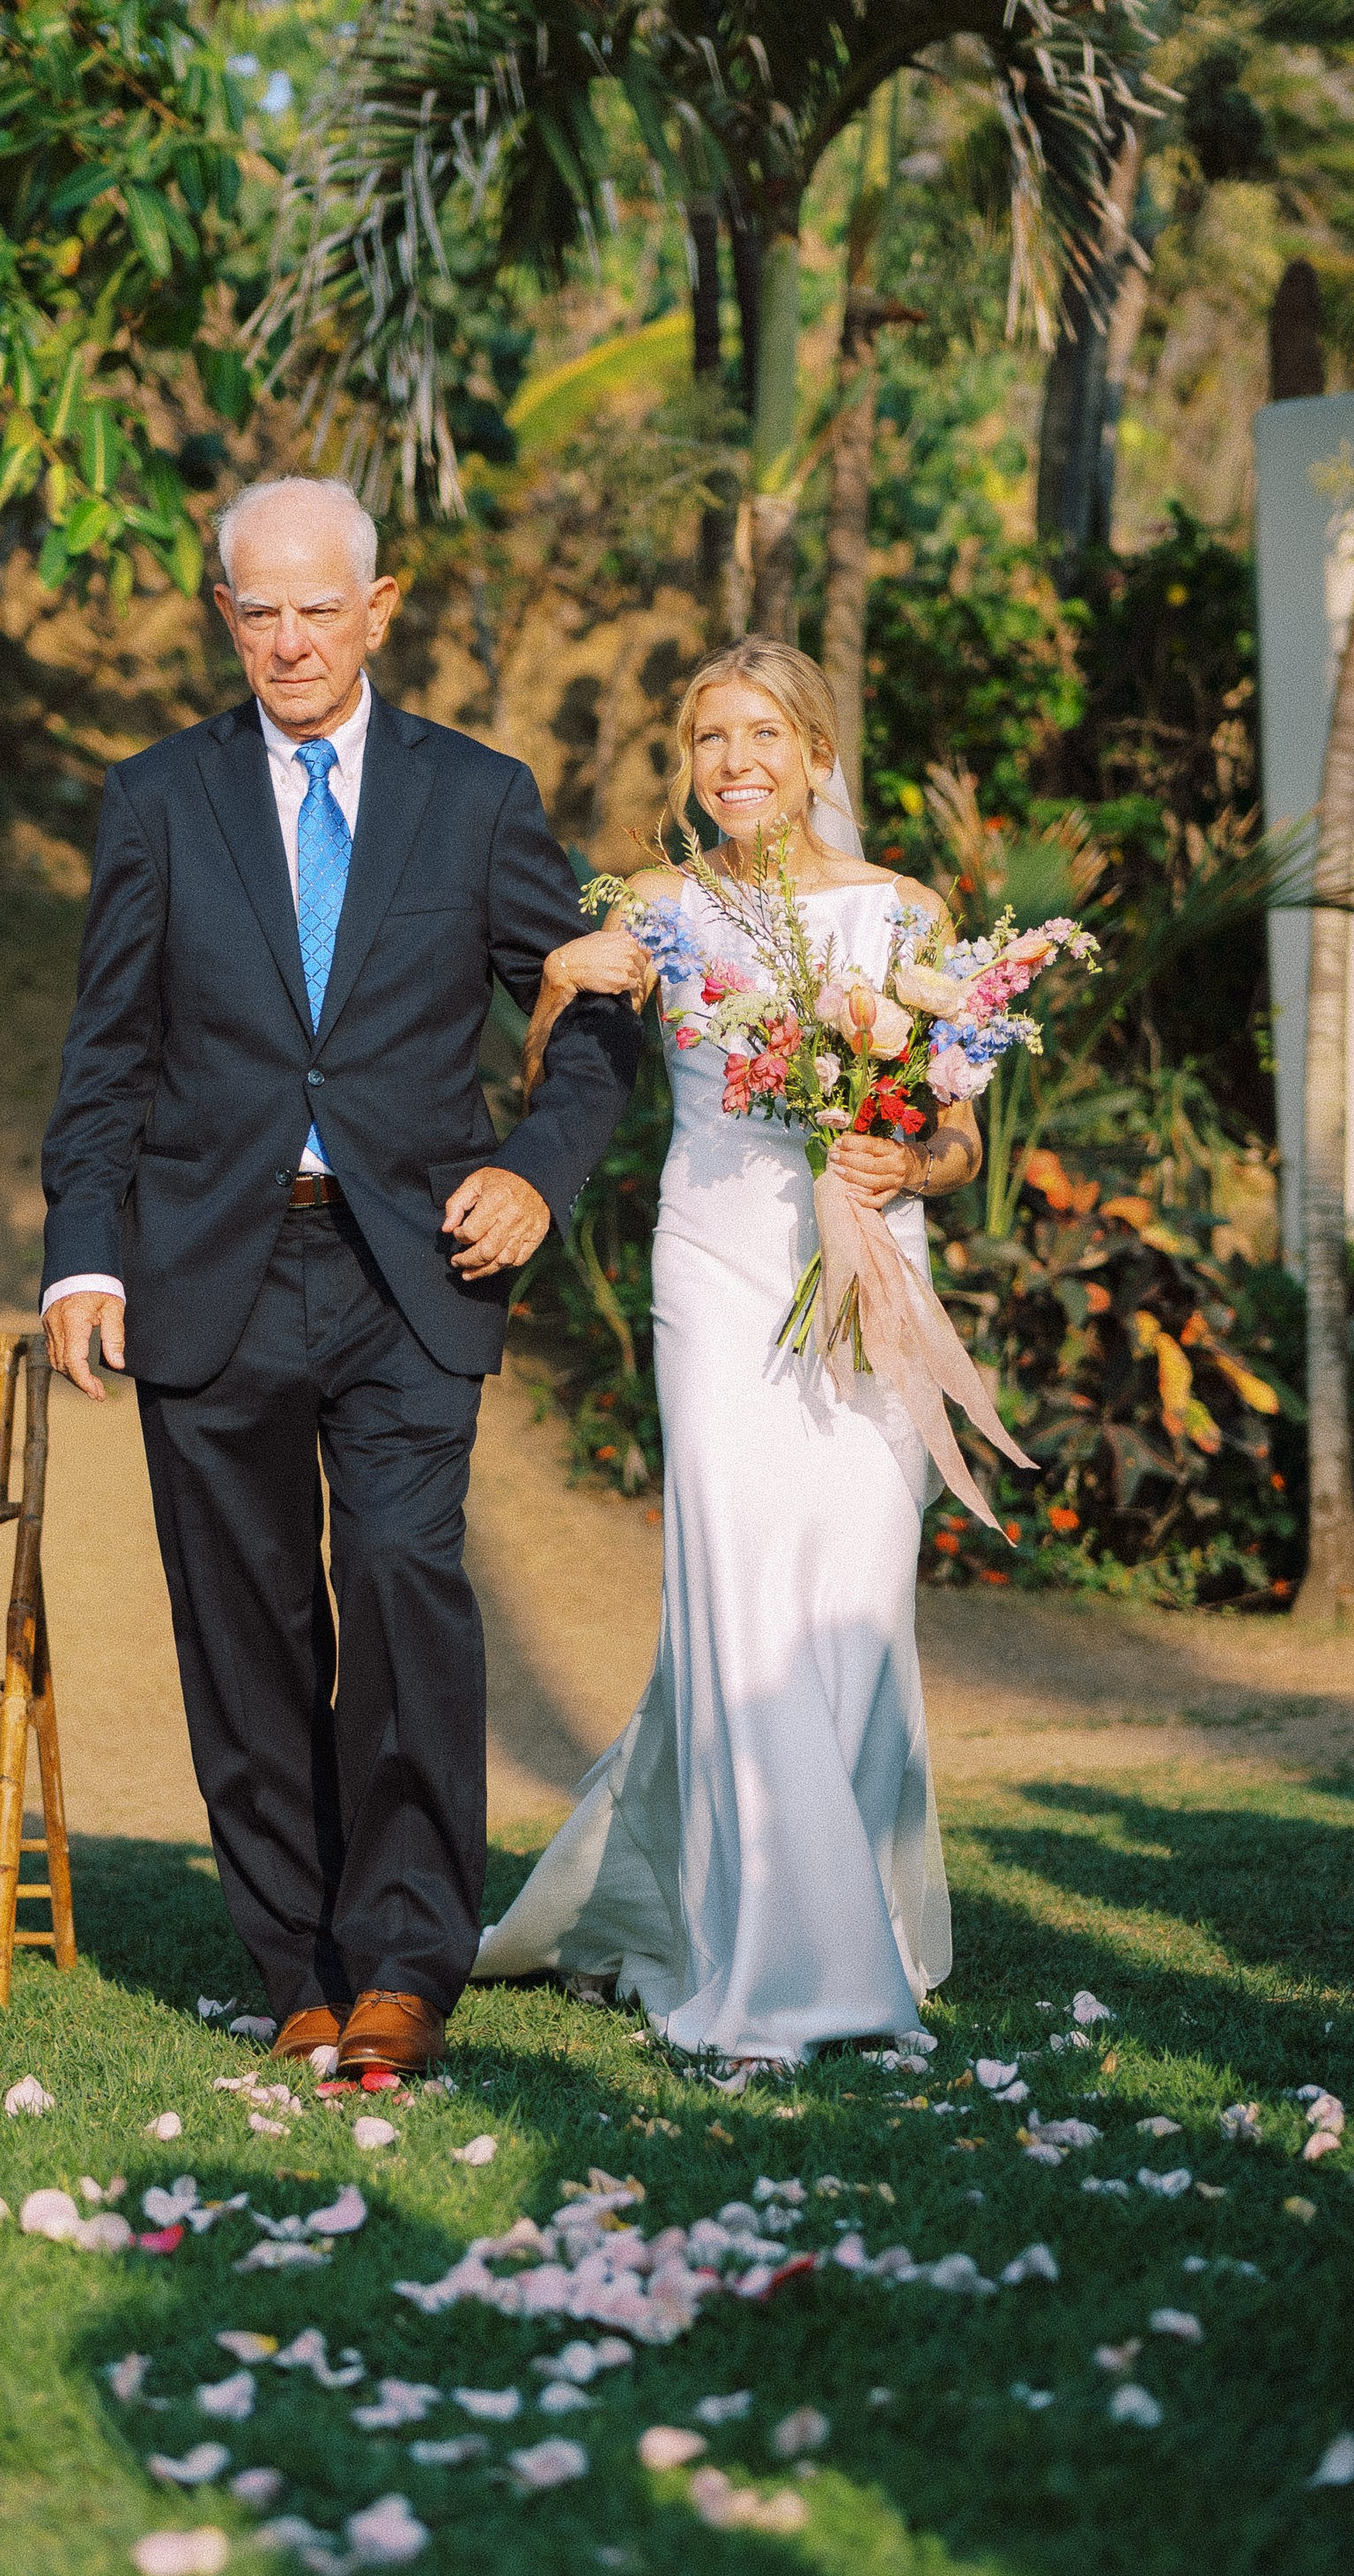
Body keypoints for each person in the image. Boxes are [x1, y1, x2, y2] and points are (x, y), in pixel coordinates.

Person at [41, 476, 640, 2075]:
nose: (291, 640)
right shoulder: (158, 797)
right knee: (243, 1630)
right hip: (204, 1270)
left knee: (398, 1584)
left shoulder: (481, 797)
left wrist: (535, 1168)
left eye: (322, 607)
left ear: (381, 610)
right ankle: (294, 1960)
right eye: (260, 609)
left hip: (409, 1269)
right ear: (223, 615)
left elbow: (597, 1004)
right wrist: (79, 1263)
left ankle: (406, 1963)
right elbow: (109, 1054)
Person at [475, 638, 975, 2067]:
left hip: (867, 1277)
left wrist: (907, 1158)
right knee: (746, 1595)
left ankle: (861, 1918)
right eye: (709, 740)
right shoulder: (662, 910)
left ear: (820, 753)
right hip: (716, 1269)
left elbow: (961, 1137)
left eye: (765, 734)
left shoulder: (905, 915)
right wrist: (571, 973)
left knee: (857, 1604)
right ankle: (773, 1968)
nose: (736, 761)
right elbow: (554, 1054)